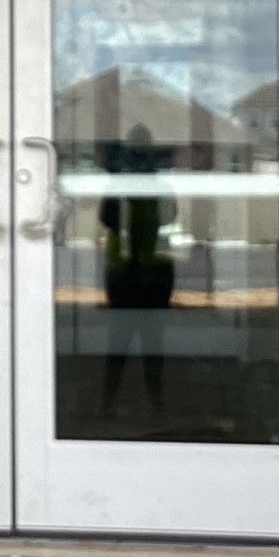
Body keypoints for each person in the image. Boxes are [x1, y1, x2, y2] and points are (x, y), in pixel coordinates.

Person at [98, 123, 177, 420]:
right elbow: (109, 219)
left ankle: (152, 403)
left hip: (148, 268)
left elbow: (168, 215)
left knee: (144, 341)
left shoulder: (155, 186)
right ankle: (112, 403)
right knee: (128, 340)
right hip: (130, 268)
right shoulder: (121, 186)